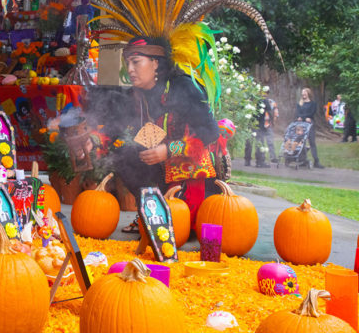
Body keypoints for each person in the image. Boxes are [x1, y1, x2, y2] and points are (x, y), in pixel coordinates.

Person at [113, 36, 220, 232]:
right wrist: (94, 142)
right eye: (127, 63)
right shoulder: (136, 95)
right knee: (124, 154)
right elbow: (119, 129)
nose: (129, 70)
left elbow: (211, 131)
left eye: (135, 62)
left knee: (179, 226)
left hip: (188, 168)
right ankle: (147, 212)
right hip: (158, 166)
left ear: (155, 63)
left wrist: (170, 149)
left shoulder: (183, 87)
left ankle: (174, 216)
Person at [244, 97, 279, 167]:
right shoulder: (264, 100)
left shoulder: (250, 97)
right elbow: (269, 109)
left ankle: (247, 161)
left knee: (250, 142)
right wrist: (271, 121)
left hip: (250, 123)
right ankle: (259, 161)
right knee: (259, 143)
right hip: (259, 125)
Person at [295, 87, 324, 168]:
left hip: (309, 126)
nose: (303, 94)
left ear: (308, 94)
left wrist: (304, 117)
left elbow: (312, 113)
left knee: (312, 143)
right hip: (301, 125)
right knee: (301, 142)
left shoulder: (313, 104)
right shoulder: (299, 103)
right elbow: (298, 114)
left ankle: (316, 161)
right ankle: (302, 160)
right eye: (302, 93)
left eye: (305, 93)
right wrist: (303, 118)